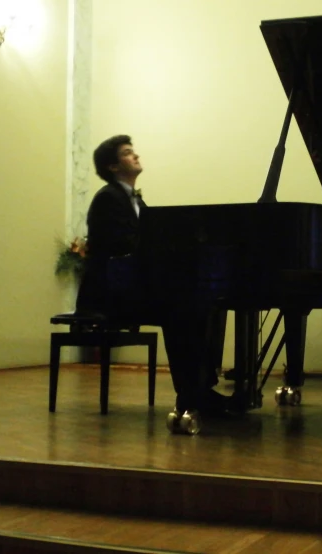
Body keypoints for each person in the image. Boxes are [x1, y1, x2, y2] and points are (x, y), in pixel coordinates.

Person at [76, 134, 229, 418]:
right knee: (181, 310)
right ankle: (190, 394)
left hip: (130, 286)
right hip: (108, 293)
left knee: (205, 305)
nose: (135, 156)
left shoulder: (135, 200)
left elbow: (147, 242)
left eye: (133, 151)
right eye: (126, 153)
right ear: (112, 166)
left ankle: (200, 388)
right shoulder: (108, 198)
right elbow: (120, 246)